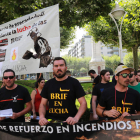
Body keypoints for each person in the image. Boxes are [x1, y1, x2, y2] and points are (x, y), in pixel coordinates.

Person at [39, 57, 87, 125]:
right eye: (56, 66)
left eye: (61, 65)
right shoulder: (48, 84)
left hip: (70, 123)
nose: (59, 68)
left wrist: (76, 118)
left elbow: (83, 103)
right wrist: (42, 117)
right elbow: (43, 104)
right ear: (53, 69)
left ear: (66, 68)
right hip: (52, 123)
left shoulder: (74, 83)